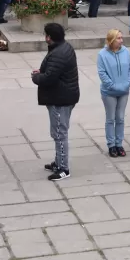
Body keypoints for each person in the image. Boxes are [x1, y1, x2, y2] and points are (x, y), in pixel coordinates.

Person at [33, 22, 80, 181]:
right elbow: (55, 71)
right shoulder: (65, 47)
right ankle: (58, 161)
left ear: (49, 37)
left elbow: (49, 78)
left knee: (59, 133)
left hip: (60, 99)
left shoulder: (58, 53)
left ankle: (63, 168)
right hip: (65, 95)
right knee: (59, 132)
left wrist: (36, 77)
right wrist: (44, 71)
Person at [98, 29, 130, 156]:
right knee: (110, 118)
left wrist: (127, 83)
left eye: (121, 38)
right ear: (111, 40)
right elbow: (102, 73)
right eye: (118, 38)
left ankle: (119, 144)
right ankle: (111, 145)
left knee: (120, 118)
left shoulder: (126, 51)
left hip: (124, 91)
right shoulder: (102, 54)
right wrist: (112, 86)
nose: (121, 40)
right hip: (109, 92)